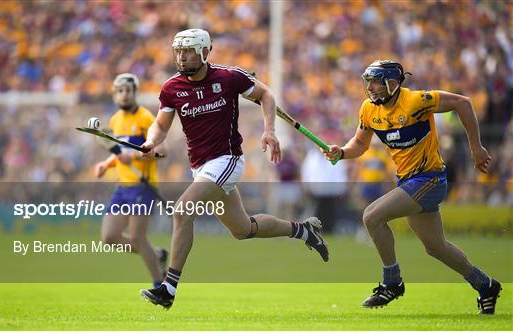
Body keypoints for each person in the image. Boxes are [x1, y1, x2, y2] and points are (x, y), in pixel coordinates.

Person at [139, 28, 329, 309]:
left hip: (227, 160)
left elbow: (265, 94)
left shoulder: (228, 78)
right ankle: (303, 231)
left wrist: (269, 131)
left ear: (204, 51)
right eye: (178, 51)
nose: (181, 57)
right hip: (201, 167)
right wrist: (151, 141)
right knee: (242, 229)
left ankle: (168, 289)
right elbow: (161, 125)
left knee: (182, 211)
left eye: (188, 51)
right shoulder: (171, 88)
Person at [322, 60, 501, 314]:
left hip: (430, 179)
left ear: (392, 84)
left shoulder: (417, 101)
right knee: (436, 247)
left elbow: (463, 102)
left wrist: (476, 147)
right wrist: (341, 151)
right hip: (408, 181)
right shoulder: (368, 109)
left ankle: (392, 282)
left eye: (376, 82)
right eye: (368, 81)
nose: (370, 87)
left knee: (372, 217)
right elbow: (359, 145)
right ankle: (486, 285)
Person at [94, 73, 168, 288]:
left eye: (128, 90)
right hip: (123, 186)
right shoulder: (115, 120)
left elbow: (162, 149)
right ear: (115, 94)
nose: (124, 95)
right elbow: (120, 153)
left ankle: (158, 284)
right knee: (109, 237)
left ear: (135, 93)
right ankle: (156, 254)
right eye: (120, 91)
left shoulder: (145, 118)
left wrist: (136, 156)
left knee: (137, 238)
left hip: (143, 185)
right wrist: (106, 164)